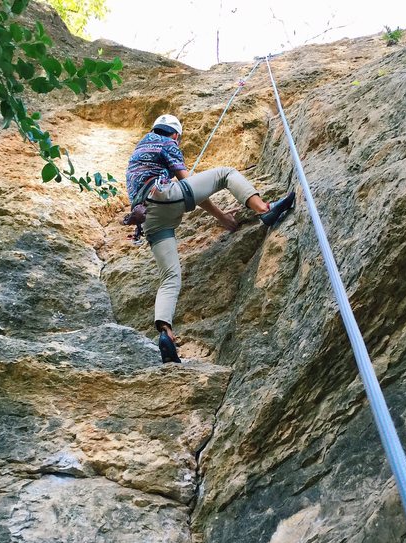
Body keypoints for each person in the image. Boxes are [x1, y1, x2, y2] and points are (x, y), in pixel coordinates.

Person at [126, 114, 295, 363]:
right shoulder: (166, 142)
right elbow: (187, 183)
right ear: (176, 135)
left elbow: (189, 192)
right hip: (163, 196)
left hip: (148, 218)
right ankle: (264, 209)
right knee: (225, 173)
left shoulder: (138, 153)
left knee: (170, 277)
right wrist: (220, 216)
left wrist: (220, 216)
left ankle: (166, 333)